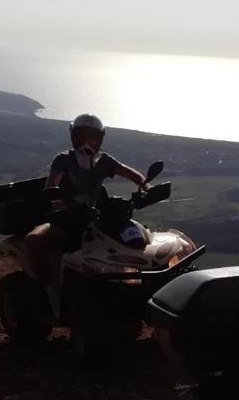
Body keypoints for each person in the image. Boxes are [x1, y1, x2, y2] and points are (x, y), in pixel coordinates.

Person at [25, 114, 150, 302]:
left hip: (94, 219)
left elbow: (130, 173)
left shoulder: (105, 161)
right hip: (65, 219)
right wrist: (62, 201)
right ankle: (50, 289)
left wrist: (146, 186)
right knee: (33, 240)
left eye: (92, 137)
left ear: (100, 139)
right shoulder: (63, 160)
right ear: (73, 137)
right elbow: (51, 186)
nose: (87, 141)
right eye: (81, 136)